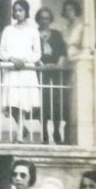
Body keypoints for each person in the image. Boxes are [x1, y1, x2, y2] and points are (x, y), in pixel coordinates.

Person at [0, 0, 41, 143]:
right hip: (11, 69)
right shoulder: (8, 30)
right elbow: (1, 51)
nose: (18, 13)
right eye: (15, 10)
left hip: (26, 70)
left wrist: (25, 60)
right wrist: (11, 59)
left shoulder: (33, 30)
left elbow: (37, 53)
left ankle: (19, 135)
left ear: (26, 12)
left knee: (23, 102)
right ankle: (22, 128)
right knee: (11, 103)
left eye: (21, 10)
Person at [36, 7, 68, 144]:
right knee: (43, 102)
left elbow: (62, 52)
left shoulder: (56, 34)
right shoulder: (34, 33)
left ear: (50, 20)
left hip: (55, 72)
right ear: (38, 19)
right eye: (42, 18)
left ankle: (56, 131)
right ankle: (44, 133)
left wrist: (58, 64)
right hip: (40, 70)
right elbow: (31, 49)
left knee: (56, 102)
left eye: (47, 18)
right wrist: (40, 64)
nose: (45, 21)